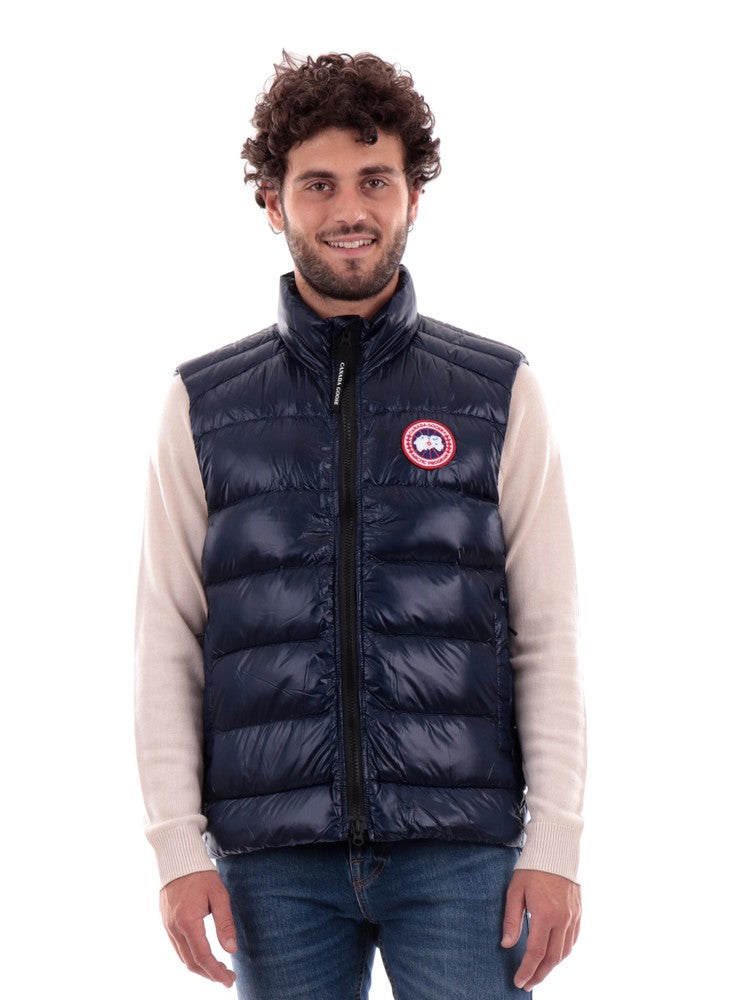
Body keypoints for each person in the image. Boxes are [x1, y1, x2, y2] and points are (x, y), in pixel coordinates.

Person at [134, 51, 586, 999]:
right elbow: (166, 638)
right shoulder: (203, 405)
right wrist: (178, 848)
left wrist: (556, 843)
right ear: (273, 202)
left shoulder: (497, 392)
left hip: (462, 855)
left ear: (414, 196)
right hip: (273, 863)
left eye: (375, 180)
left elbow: (546, 633)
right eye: (319, 184)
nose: (350, 210)